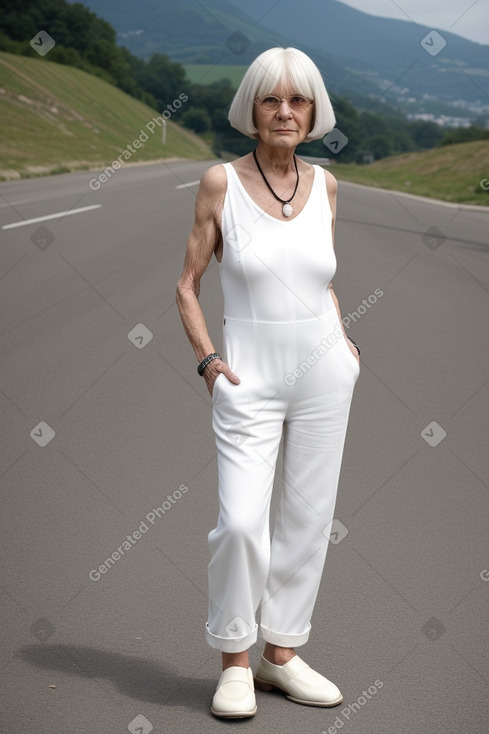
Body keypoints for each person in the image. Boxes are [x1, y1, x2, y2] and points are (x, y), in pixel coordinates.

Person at [176, 46, 360, 719]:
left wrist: (342, 345)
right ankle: (232, 659)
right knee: (243, 526)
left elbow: (322, 279)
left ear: (313, 112)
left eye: (298, 100)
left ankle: (279, 657)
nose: (284, 111)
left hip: (323, 378)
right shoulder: (219, 183)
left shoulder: (327, 187)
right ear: (250, 109)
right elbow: (187, 286)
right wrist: (208, 361)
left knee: (308, 521)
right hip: (247, 376)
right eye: (270, 99)